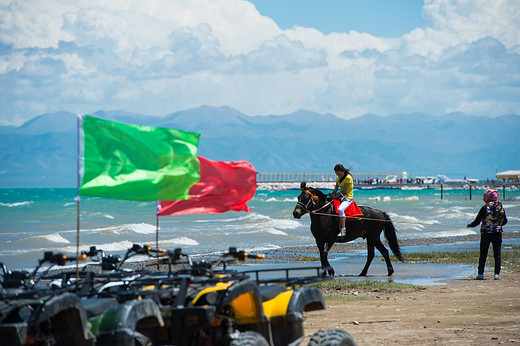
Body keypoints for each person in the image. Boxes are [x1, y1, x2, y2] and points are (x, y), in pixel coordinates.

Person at [467, 189, 508, 280]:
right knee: (497, 254)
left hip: (486, 233)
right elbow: (505, 221)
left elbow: (477, 220)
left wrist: (470, 225)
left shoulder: (485, 207)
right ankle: (496, 274)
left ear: (488, 197)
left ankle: (480, 273)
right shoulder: (500, 207)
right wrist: (497, 225)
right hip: (497, 233)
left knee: (483, 253)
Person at [330, 164, 354, 237]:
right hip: (340, 197)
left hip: (347, 198)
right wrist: (332, 194)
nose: (338, 175)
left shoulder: (348, 178)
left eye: (339, 173)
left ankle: (343, 229)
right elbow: (336, 188)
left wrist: (336, 195)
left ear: (342, 171)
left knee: (340, 209)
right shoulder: (338, 178)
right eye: (337, 174)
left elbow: (344, 191)